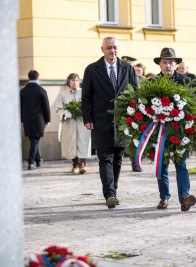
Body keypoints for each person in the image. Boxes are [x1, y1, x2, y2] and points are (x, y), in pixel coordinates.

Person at [81, 36, 138, 209]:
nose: (112, 51)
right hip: (100, 121)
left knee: (118, 158)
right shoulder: (92, 69)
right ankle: (110, 194)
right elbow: (86, 97)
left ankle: (113, 190)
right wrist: (88, 118)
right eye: (109, 48)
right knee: (105, 157)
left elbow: (135, 93)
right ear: (102, 49)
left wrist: (135, 118)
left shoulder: (128, 68)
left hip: (122, 121)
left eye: (115, 47)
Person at [153, 47, 196, 212]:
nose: (168, 65)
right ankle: (164, 197)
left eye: (171, 62)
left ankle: (185, 197)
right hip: (159, 131)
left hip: (180, 130)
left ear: (175, 64)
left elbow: (194, 105)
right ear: (160, 64)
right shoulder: (153, 82)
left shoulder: (185, 81)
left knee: (181, 164)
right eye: (164, 62)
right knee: (162, 165)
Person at [56, 73, 91, 174]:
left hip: (82, 121)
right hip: (69, 122)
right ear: (68, 82)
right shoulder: (63, 94)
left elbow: (89, 105)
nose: (75, 82)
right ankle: (75, 164)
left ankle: (83, 164)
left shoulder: (84, 92)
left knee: (82, 142)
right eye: (72, 80)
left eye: (76, 80)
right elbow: (58, 109)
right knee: (71, 143)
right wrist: (67, 113)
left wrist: (84, 112)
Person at [20, 70, 50, 170]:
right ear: (38, 77)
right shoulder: (41, 90)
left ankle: (38, 159)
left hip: (27, 120)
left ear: (29, 77)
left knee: (33, 140)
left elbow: (19, 106)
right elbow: (46, 107)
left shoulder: (23, 91)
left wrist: (21, 119)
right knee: (35, 140)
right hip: (39, 120)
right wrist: (47, 119)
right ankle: (31, 162)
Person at [176, 60, 196, 158]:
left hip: (190, 105)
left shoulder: (192, 77)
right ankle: (184, 151)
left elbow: (195, 92)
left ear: (187, 68)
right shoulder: (175, 76)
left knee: (193, 129)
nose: (181, 70)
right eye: (179, 68)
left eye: (183, 68)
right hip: (178, 107)